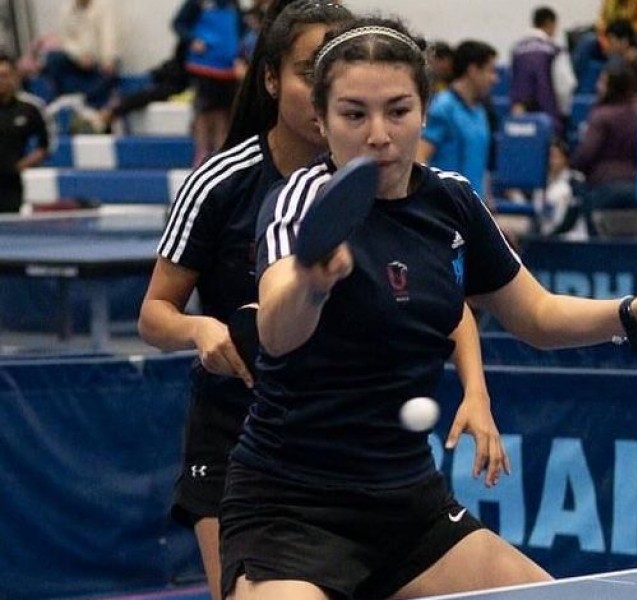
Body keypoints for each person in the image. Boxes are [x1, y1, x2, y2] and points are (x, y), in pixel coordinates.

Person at [221, 16, 637, 600]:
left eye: (398, 111)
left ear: (425, 112)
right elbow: (276, 331)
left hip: (408, 506)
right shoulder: (301, 200)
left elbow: (538, 317)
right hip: (294, 509)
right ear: (321, 120)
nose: (378, 134)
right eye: (354, 114)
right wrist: (311, 282)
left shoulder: (451, 201)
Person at [139, 5, 507, 600]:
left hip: (356, 444)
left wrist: (476, 389)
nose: (339, 83)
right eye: (313, 70)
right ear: (274, 81)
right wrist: (203, 331)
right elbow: (154, 313)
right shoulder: (225, 183)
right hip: (242, 426)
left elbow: (444, 296)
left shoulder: (403, 187)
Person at [417, 40, 498, 197]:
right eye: (490, 71)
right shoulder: (443, 108)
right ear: (473, 70)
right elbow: (419, 156)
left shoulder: (480, 111)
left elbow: (480, 163)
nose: (494, 79)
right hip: (447, 209)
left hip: (473, 207)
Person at [570, 61, 637, 234]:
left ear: (611, 87)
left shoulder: (601, 116)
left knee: (600, 242)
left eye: (602, 82)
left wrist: (573, 165)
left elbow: (587, 153)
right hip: (635, 185)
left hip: (604, 187)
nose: (597, 86)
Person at [172, 0, 245, 165]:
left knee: (223, 114)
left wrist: (240, 55)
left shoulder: (233, 5)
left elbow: (239, 30)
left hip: (228, 67)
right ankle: (202, 153)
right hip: (204, 65)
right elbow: (179, 24)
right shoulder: (197, 4)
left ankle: (221, 155)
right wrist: (193, 40)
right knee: (205, 112)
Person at [509, 6, 576, 139]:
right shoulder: (554, 50)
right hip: (548, 119)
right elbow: (565, 86)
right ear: (550, 23)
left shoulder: (516, 50)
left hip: (520, 122)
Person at [40, 0, 119, 108]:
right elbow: (65, 40)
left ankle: (85, 95)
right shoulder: (66, 10)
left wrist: (108, 59)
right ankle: (81, 95)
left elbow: (108, 36)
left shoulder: (103, 7)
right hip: (76, 61)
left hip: (98, 63)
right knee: (52, 58)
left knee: (108, 77)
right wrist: (78, 55)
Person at [0, 53, 52, 214]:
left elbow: (47, 144)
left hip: (11, 185)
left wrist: (23, 164)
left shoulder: (30, 108)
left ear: (15, 76)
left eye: (4, 76)